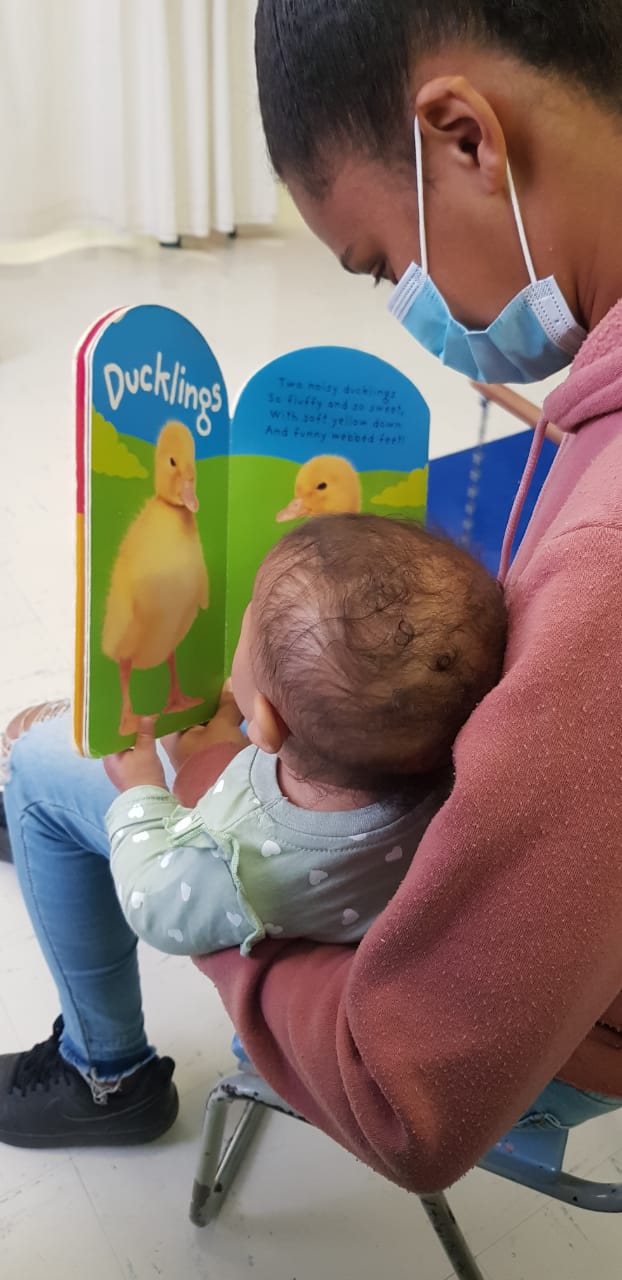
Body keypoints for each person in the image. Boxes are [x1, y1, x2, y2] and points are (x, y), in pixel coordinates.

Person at [2, 0, 622, 1191]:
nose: (403, 298)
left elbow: (407, 1099)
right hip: (490, 893)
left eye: (383, 263)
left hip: (419, 958)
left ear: (464, 139)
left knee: (44, 755)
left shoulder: (605, 557)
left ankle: (102, 1069)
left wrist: (222, 896)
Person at [103, 516, 505, 959]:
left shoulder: (243, 856)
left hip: (259, 917)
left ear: (267, 727)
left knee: (37, 778)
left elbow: (152, 905)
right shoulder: (438, 760)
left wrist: (140, 791)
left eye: (248, 623)